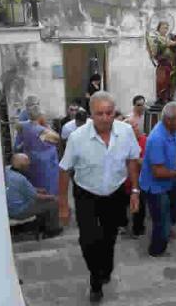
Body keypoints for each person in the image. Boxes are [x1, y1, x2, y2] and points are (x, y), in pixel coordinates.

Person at [58, 91, 141, 303]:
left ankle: (104, 270)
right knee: (88, 240)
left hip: (115, 193)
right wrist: (63, 205)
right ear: (91, 114)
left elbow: (132, 160)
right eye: (99, 113)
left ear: (115, 112)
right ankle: (96, 279)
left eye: (109, 113)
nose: (105, 118)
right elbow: (65, 169)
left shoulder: (126, 132)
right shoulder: (77, 138)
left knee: (109, 237)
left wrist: (134, 191)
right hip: (86, 195)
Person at [139, 102, 176, 257]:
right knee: (160, 221)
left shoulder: (172, 130)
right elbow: (158, 172)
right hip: (155, 186)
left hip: (170, 177)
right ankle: (156, 250)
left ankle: (167, 225)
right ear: (169, 120)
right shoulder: (156, 138)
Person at [4, 153, 62, 238]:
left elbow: (23, 189)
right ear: (22, 167)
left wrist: (38, 190)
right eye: (27, 166)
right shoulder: (21, 179)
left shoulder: (6, 170)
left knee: (43, 202)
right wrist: (53, 197)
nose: (29, 167)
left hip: (8, 208)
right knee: (53, 203)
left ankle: (43, 225)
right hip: (19, 210)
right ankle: (52, 230)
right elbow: (36, 196)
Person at [14, 105, 60, 195]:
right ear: (40, 116)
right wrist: (46, 125)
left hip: (30, 158)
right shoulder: (42, 131)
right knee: (46, 184)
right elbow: (57, 138)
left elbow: (18, 127)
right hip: (44, 163)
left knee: (33, 181)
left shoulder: (23, 125)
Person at [119, 116, 147, 238]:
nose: (137, 128)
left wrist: (134, 159)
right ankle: (122, 225)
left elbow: (148, 161)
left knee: (140, 207)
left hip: (140, 181)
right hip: (123, 181)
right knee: (121, 205)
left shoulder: (145, 140)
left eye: (136, 126)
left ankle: (138, 229)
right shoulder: (119, 142)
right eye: (133, 127)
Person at [148, 21, 176, 104]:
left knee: (171, 82)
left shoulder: (169, 38)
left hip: (171, 64)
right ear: (159, 29)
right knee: (162, 82)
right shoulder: (156, 39)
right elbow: (154, 51)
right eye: (163, 28)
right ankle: (161, 98)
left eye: (166, 28)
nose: (165, 30)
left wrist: (175, 44)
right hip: (163, 65)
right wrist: (166, 45)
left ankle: (169, 96)